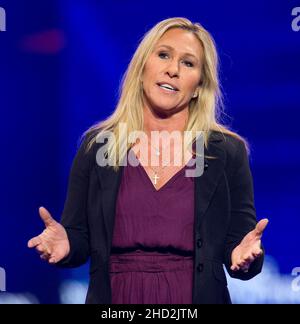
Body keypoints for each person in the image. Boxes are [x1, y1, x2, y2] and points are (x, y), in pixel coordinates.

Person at [28, 17, 268, 304]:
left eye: (188, 63)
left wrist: (244, 257)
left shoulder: (226, 152)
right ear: (142, 68)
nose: (172, 70)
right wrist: (66, 244)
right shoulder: (100, 147)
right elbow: (79, 236)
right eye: (164, 55)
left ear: (198, 87)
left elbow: (239, 247)